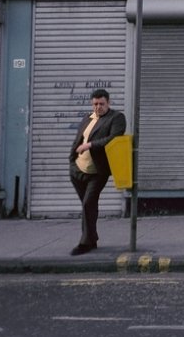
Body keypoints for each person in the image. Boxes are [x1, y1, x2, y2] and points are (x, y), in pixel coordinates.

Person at [68, 88, 126, 255]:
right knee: (89, 206)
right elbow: (79, 138)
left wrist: (90, 145)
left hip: (98, 171)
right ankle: (91, 239)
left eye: (101, 104)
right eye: (95, 104)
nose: (98, 107)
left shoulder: (116, 118)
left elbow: (114, 137)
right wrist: (71, 159)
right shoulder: (88, 118)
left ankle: (85, 243)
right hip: (78, 169)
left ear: (108, 103)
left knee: (88, 203)